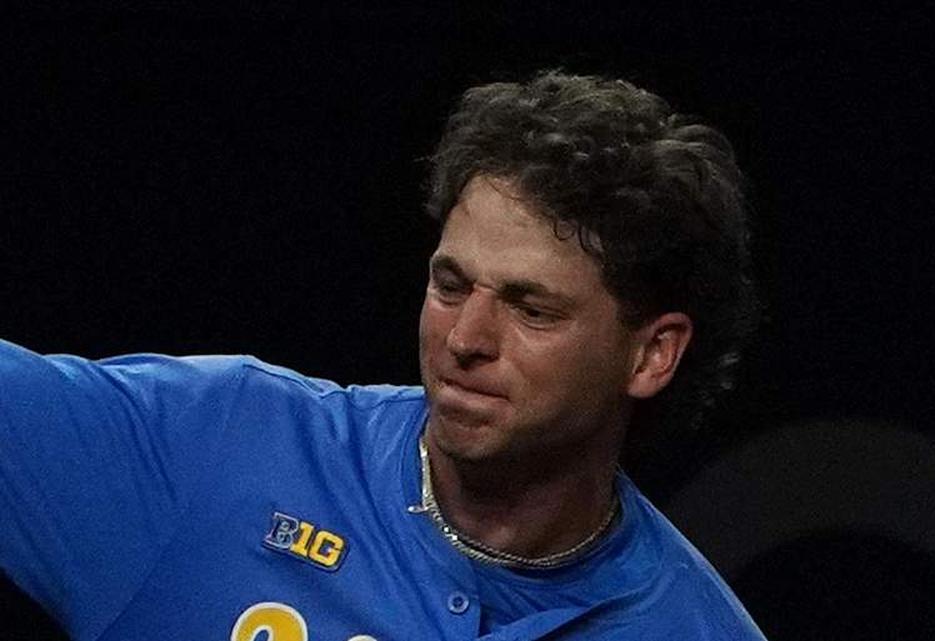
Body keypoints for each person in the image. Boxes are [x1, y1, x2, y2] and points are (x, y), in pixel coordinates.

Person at [0, 70, 766, 639]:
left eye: (531, 309)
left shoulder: (694, 628)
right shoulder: (216, 445)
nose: (465, 339)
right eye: (450, 285)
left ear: (652, 354)